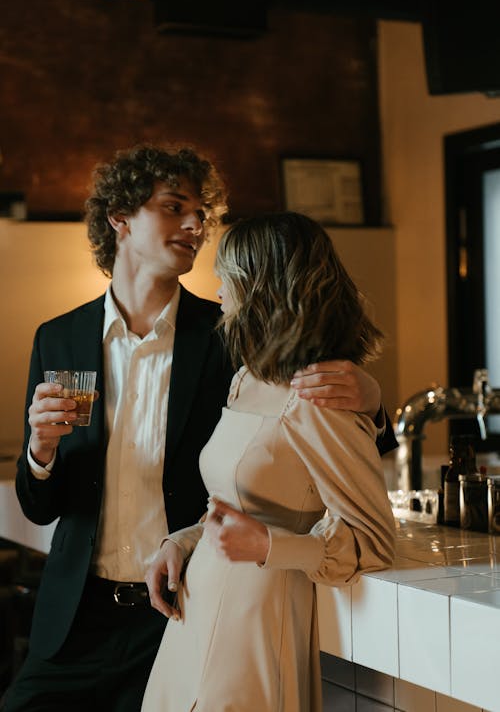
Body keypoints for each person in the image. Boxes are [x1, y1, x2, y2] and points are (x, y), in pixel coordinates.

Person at [4, 145, 395, 712]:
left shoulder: (232, 334)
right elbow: (40, 506)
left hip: (180, 608)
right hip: (76, 616)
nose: (196, 226)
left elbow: (324, 438)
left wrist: (375, 402)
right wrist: (40, 451)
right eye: (173, 207)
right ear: (120, 217)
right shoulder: (57, 338)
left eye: (201, 215)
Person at [141, 212, 397, 712]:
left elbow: (373, 541)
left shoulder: (318, 394)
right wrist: (184, 540)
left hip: (257, 622)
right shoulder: (246, 379)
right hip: (193, 612)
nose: (217, 285)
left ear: (262, 287)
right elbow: (236, 505)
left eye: (228, 274)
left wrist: (268, 545)